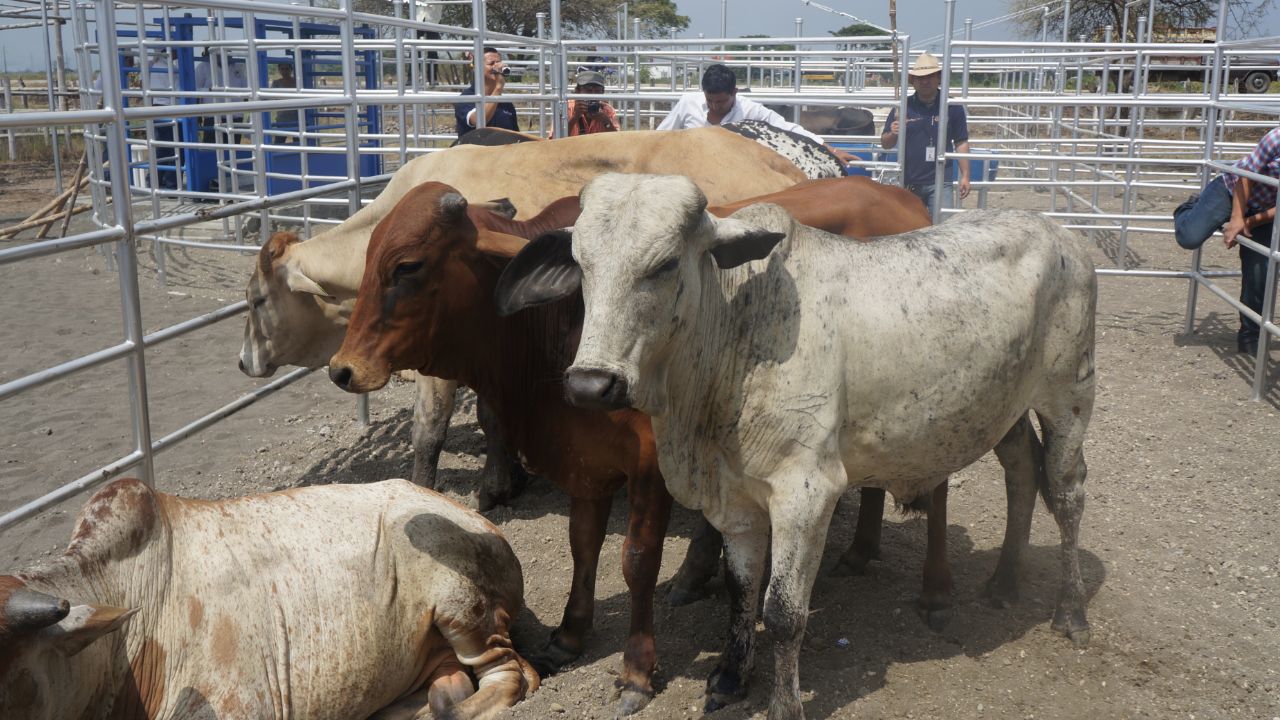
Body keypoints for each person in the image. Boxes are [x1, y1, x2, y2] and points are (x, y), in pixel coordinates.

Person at [1173, 127, 1280, 355]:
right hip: (1232, 189)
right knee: (1189, 237)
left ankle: (1251, 337)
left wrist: (1248, 223)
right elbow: (1246, 176)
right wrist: (1236, 219)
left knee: (1261, 272)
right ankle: (1189, 208)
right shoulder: (1276, 138)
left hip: (1267, 208)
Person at [657, 63, 855, 165]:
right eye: (710, 101)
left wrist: (830, 149)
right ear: (704, 93)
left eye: (721, 101)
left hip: (730, 171)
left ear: (735, 92)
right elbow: (661, 135)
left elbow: (786, 127)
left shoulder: (751, 110)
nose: (715, 106)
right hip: (691, 167)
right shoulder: (687, 103)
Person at [880, 52, 971, 216]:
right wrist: (893, 133)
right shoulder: (902, 107)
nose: (925, 81)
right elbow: (886, 144)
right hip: (908, 180)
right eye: (920, 77)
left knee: (943, 228)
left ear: (938, 78)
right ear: (913, 81)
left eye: (930, 76)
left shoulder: (952, 107)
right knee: (909, 229)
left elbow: (961, 142)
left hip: (941, 180)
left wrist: (965, 175)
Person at [454, 46, 519, 138]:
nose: (496, 67)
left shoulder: (506, 104)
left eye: (498, 63)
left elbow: (515, 136)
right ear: (477, 68)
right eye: (491, 63)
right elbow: (477, 120)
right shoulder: (466, 98)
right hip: (475, 151)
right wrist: (498, 88)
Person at [562, 70, 618, 137]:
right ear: (578, 91)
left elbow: (617, 140)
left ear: (602, 92)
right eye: (588, 90)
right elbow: (555, 141)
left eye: (597, 91)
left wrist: (606, 121)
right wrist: (575, 117)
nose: (593, 95)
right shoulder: (566, 109)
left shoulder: (608, 111)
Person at [271, 61, 299, 144]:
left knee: (299, 142)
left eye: (287, 69)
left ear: (291, 70)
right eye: (282, 69)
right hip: (282, 118)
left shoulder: (297, 82)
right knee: (279, 143)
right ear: (279, 70)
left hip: (297, 118)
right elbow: (272, 98)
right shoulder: (276, 83)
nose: (284, 71)